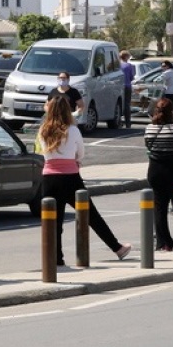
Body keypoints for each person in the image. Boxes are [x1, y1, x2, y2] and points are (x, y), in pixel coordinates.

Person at [37, 95, 132, 264]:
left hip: (49, 178)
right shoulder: (72, 130)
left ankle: (55, 258)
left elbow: (41, 152)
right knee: (91, 215)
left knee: (53, 221)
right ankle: (117, 247)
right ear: (67, 110)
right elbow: (81, 153)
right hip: (70, 177)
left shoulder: (44, 129)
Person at [143, 97, 173, 251]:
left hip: (155, 169)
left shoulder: (149, 129)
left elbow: (148, 145)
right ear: (172, 112)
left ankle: (164, 242)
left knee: (159, 207)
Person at [119, 50, 136, 129]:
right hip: (127, 86)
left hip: (118, 86)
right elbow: (131, 77)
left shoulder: (117, 65)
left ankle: (118, 121)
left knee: (118, 104)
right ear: (126, 57)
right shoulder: (128, 66)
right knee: (127, 104)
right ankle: (127, 123)